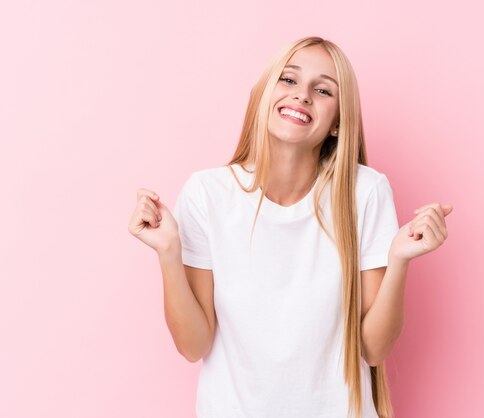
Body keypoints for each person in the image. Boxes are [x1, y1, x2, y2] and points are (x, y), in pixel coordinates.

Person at [128, 36, 452, 418]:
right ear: (266, 95)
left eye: (323, 89)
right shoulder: (207, 194)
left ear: (337, 124)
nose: (301, 96)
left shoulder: (365, 191)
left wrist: (399, 259)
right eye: (289, 80)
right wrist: (169, 254)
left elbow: (374, 349)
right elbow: (193, 346)